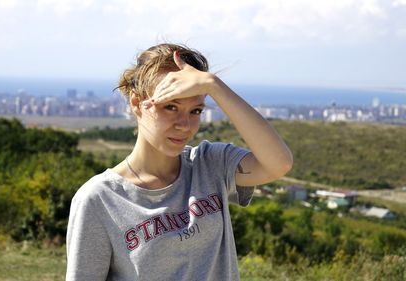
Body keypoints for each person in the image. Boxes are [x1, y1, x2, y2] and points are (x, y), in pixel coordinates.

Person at [66, 43, 293, 281]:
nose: (184, 125)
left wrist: (213, 85)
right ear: (136, 103)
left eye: (195, 110)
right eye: (170, 106)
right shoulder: (100, 199)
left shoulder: (210, 165)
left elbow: (278, 163)